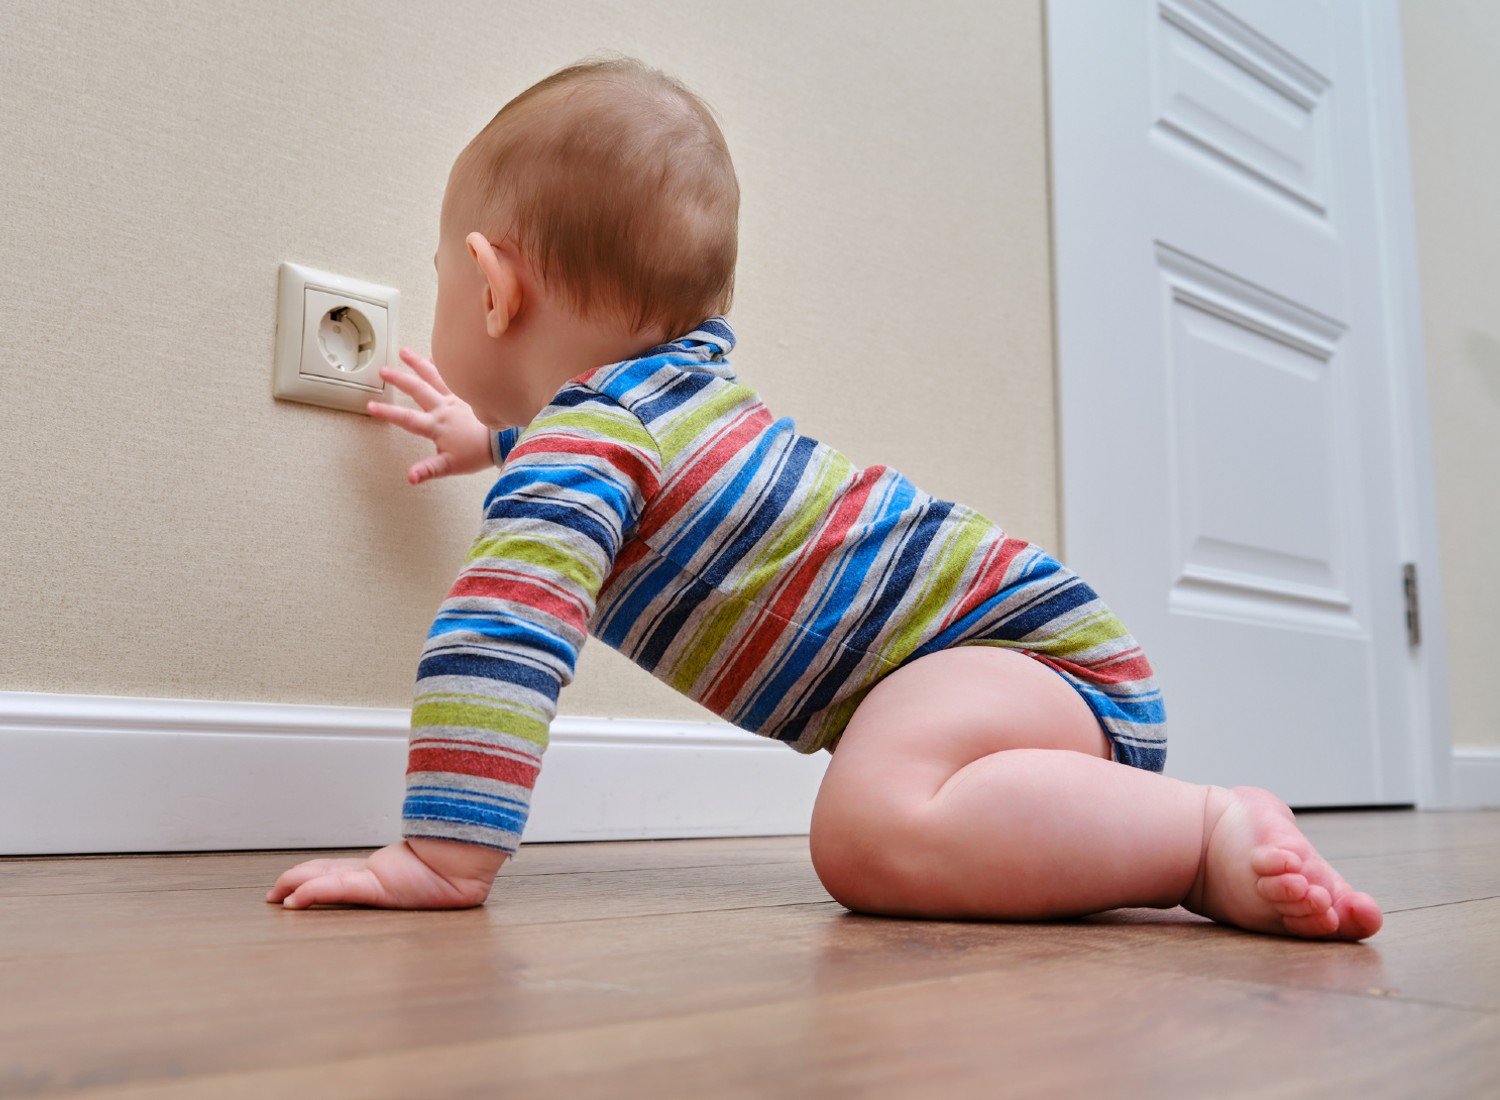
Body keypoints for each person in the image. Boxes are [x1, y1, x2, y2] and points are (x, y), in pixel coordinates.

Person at [267, 57, 1382, 940]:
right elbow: (621, 478)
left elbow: (504, 626)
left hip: (1026, 664)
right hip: (1035, 666)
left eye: (443, 273)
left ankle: (1203, 834)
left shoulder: (589, 443)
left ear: (495, 287)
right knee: (884, 803)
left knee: (866, 829)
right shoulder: (649, 412)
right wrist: (494, 444)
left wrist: (442, 849)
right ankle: (1104, 832)